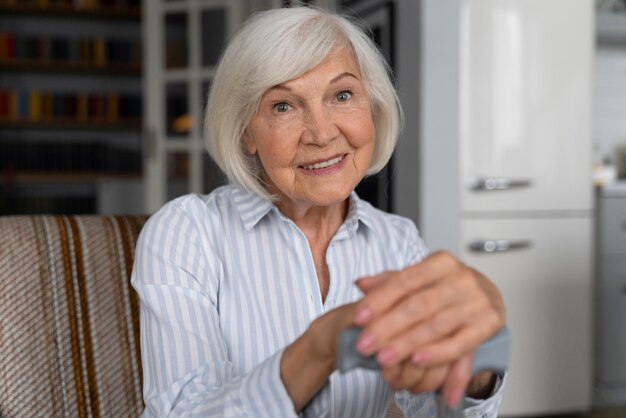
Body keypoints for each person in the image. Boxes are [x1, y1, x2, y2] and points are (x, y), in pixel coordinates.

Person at [131, 6, 506, 417]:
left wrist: (476, 366)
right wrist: (319, 347)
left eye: (342, 95)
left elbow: (432, 410)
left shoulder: (398, 241)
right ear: (246, 133)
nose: (323, 133)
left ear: (373, 108)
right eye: (283, 107)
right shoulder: (188, 232)